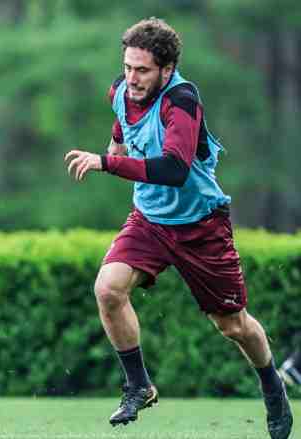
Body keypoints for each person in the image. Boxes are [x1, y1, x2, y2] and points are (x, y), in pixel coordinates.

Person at [64, 17, 292, 439]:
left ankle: (272, 385)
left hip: (201, 225)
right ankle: (138, 385)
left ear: (167, 70)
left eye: (143, 70)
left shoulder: (182, 100)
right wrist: (114, 146)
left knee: (233, 326)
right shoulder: (120, 90)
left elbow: (173, 168)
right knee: (108, 288)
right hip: (149, 220)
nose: (131, 78)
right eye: (128, 67)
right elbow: (122, 125)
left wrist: (106, 161)